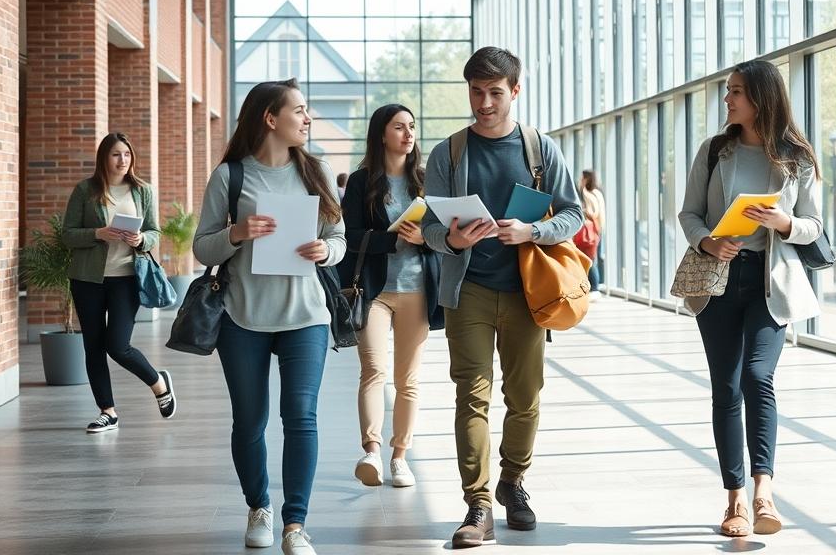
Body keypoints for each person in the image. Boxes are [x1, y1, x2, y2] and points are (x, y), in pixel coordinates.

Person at [421, 47, 584, 549]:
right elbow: (427, 227)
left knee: (525, 396)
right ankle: (478, 504)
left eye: (495, 92)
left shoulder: (540, 148)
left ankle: (513, 481)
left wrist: (533, 230)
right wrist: (451, 240)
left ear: (515, 90)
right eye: (476, 92)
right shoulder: (448, 153)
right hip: (466, 289)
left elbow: (573, 215)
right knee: (471, 394)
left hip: (526, 292)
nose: (484, 103)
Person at [192, 79, 346, 555]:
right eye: (299, 111)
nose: (307, 119)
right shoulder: (230, 177)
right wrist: (236, 233)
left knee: (300, 417)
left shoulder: (316, 170)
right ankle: (258, 507)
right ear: (270, 118)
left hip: (306, 315)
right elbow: (202, 248)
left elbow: (339, 238)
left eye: (307, 111)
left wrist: (326, 251)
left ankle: (295, 525)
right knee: (250, 421)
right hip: (242, 317)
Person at [677, 60, 824, 539]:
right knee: (727, 387)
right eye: (727, 90)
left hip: (770, 283)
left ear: (762, 96)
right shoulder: (715, 150)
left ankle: (765, 491)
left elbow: (814, 227)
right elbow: (690, 213)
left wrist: (782, 223)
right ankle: (735, 499)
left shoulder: (796, 158)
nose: (727, 99)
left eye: (735, 91)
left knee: (759, 376)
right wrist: (707, 242)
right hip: (719, 282)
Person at [338, 104, 443, 489]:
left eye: (412, 126)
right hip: (375, 290)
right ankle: (371, 450)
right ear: (382, 134)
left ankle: (400, 456)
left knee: (407, 380)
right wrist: (391, 239)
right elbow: (348, 237)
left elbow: (443, 237)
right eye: (399, 127)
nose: (408, 133)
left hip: (417, 289)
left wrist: (424, 240)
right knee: (373, 371)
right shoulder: (362, 181)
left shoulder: (427, 180)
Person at [61, 132, 175, 434]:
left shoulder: (142, 191)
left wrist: (141, 239)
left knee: (118, 345)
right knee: (93, 347)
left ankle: (159, 383)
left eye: (127, 154)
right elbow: (67, 234)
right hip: (88, 280)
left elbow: (154, 232)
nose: (122, 160)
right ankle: (107, 411)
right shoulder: (85, 190)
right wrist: (98, 233)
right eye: (116, 154)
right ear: (104, 158)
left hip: (127, 279)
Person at [578, 169, 606, 291]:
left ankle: (595, 287)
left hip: (592, 231)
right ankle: (598, 285)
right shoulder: (597, 193)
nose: (580, 180)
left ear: (587, 179)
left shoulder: (589, 193)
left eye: (582, 178)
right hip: (598, 230)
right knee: (595, 257)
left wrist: (583, 211)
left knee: (590, 259)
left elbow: (593, 213)